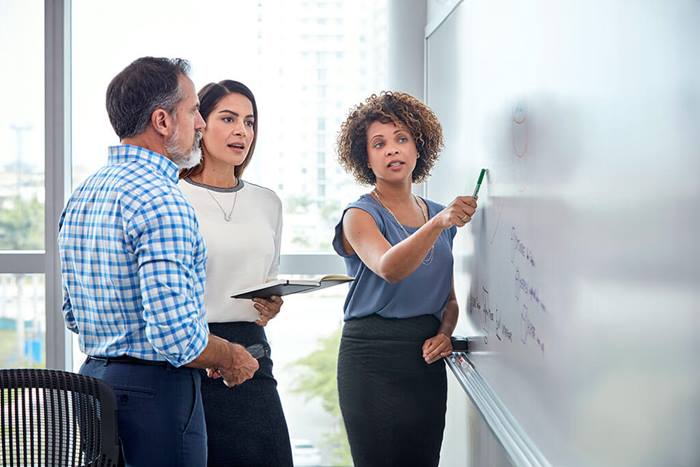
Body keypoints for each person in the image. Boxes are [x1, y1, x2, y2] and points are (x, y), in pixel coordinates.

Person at [58, 57, 259, 467]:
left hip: (93, 386)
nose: (200, 124)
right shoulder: (164, 200)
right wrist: (231, 356)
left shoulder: (85, 192)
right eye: (193, 111)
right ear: (163, 121)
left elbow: (74, 315)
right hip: (154, 395)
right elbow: (176, 337)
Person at [332, 91, 478, 467]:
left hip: (423, 361)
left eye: (401, 139)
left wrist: (445, 334)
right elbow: (389, 268)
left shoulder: (435, 216)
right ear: (366, 158)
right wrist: (440, 222)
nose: (392, 150)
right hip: (371, 357)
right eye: (379, 144)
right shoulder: (359, 215)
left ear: (418, 148)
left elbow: (448, 300)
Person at [179, 80, 293, 467]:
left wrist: (270, 303)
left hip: (252, 350)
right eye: (227, 119)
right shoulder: (173, 196)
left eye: (249, 121)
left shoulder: (267, 202)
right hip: (192, 354)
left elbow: (266, 274)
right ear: (200, 123)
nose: (241, 131)